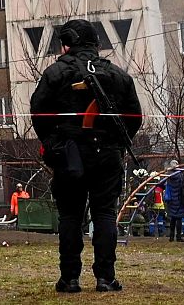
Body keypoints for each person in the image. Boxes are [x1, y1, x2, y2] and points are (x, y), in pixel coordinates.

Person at [30, 19, 142, 294]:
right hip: (107, 155)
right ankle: (106, 277)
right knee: (105, 213)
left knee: (70, 216)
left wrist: (54, 144)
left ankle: (70, 279)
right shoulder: (118, 75)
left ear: (68, 43)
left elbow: (38, 112)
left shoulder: (55, 73)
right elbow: (134, 117)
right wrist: (115, 142)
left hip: (70, 155)